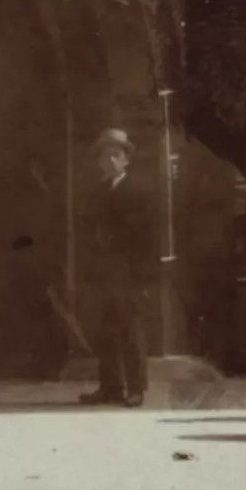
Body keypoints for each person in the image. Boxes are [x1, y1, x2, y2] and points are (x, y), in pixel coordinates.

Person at [79, 125, 156, 406]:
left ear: (126, 159)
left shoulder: (138, 191)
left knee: (131, 329)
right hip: (104, 272)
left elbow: (147, 237)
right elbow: (89, 230)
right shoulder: (98, 192)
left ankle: (136, 388)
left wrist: (144, 275)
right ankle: (110, 386)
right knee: (105, 330)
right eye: (105, 157)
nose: (110, 161)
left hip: (130, 271)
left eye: (116, 156)